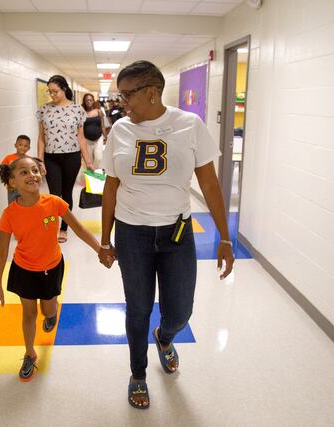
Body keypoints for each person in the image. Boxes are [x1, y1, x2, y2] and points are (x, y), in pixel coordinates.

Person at [98, 60, 235, 409]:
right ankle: (138, 374)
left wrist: (224, 236)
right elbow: (111, 188)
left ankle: (165, 336)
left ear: (153, 92)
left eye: (127, 95)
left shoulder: (188, 124)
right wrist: (105, 239)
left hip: (176, 232)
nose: (121, 102)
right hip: (132, 234)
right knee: (138, 309)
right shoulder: (120, 131)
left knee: (179, 311)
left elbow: (209, 181)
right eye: (120, 95)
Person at [0, 156, 107, 382]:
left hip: (52, 267)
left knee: (48, 309)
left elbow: (79, 229)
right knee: (29, 313)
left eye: (34, 170)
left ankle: (51, 314)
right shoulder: (9, 214)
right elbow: (2, 252)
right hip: (23, 269)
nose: (31, 175)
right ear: (12, 182)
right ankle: (29, 353)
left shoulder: (54, 202)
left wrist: (99, 250)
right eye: (24, 172)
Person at [37, 75, 95, 243]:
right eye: (50, 91)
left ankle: (64, 227)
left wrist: (88, 161)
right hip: (51, 158)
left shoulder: (77, 109)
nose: (52, 95)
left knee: (67, 193)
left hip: (72, 157)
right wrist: (39, 160)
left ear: (64, 89)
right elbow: (41, 137)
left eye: (55, 91)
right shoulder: (44, 109)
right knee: (54, 195)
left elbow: (81, 138)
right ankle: (52, 226)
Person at [0, 135, 31, 204]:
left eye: (25, 146)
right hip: (12, 188)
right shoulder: (8, 158)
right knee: (12, 205)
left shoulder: (28, 160)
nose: (22, 147)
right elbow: (2, 170)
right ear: (15, 145)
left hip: (24, 187)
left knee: (25, 205)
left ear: (29, 148)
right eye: (20, 145)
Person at [81, 93, 107, 168]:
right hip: (87, 140)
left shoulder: (99, 111)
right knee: (89, 160)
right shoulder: (82, 113)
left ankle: (95, 173)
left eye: (90, 100)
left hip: (98, 138)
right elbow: (80, 128)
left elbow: (102, 126)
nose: (89, 102)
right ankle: (89, 176)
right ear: (84, 102)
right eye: (87, 100)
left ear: (93, 101)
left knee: (99, 158)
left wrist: (106, 137)